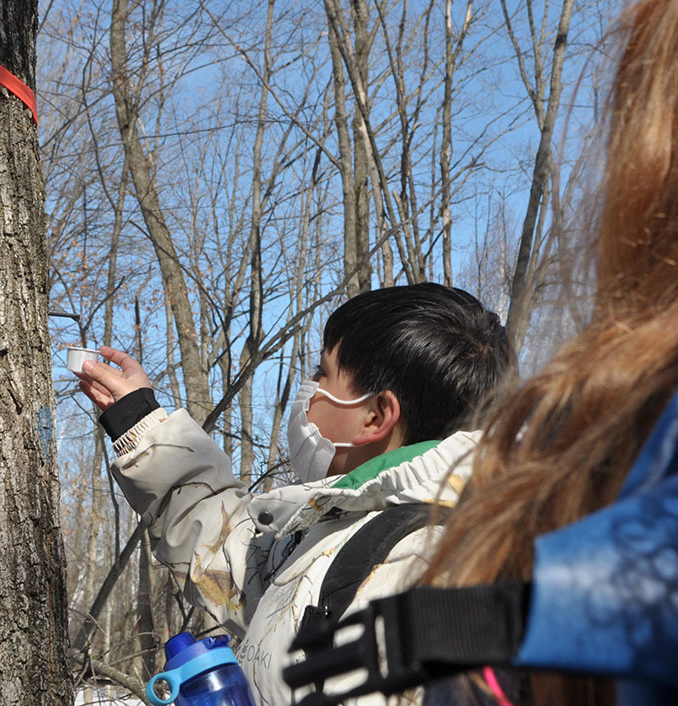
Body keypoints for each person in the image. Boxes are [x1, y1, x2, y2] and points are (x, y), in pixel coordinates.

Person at [286, 2, 678, 704]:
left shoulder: (437, 547)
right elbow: (226, 547)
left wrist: (526, 616)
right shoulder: (581, 448)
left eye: (322, 375)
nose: (307, 396)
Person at [77, 282, 511, 706]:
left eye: (322, 373)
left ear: (375, 416)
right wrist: (137, 417)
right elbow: (227, 560)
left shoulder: (427, 569)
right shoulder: (342, 528)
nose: (308, 387)